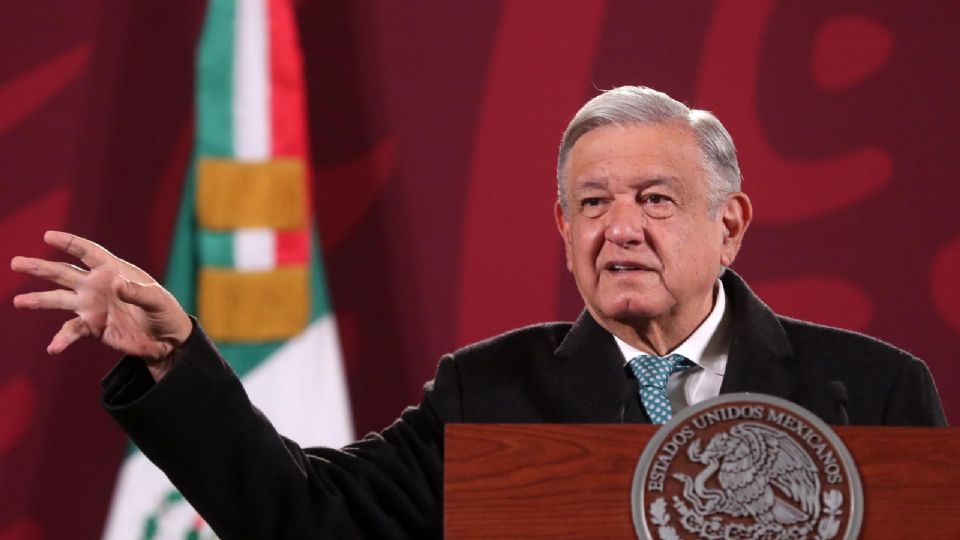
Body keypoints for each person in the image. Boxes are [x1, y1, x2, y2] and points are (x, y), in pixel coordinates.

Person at [11, 86, 946, 538]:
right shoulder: (490, 392)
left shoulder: (870, 391)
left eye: (655, 200)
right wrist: (181, 360)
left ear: (729, 224)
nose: (620, 230)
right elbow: (305, 518)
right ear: (563, 226)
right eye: (592, 203)